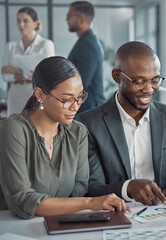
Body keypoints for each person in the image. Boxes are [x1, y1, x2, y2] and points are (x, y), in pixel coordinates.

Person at [0, 56, 128, 219]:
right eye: (67, 100)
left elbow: (78, 191)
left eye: (80, 97)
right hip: (15, 228)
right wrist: (90, 203)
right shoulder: (13, 129)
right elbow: (22, 199)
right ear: (40, 94)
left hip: (61, 224)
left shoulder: (78, 133)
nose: (75, 107)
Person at [76, 41, 166, 206]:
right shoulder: (88, 124)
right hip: (115, 215)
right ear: (117, 77)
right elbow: (90, 187)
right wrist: (128, 188)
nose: (149, 89)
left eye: (155, 80)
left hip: (164, 214)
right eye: (139, 81)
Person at [1, 7, 55, 116]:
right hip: (15, 93)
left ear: (35, 23)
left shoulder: (46, 45)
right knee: (14, 126)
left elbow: (48, 73)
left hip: (34, 93)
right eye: (19, 21)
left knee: (33, 125)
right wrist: (27, 73)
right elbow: (5, 74)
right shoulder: (10, 46)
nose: (21, 25)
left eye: (25, 21)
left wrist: (17, 71)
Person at [67, 1, 106, 113]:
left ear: (81, 19)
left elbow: (81, 83)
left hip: (90, 111)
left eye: (69, 16)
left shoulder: (88, 44)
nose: (67, 20)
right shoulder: (86, 41)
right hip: (87, 108)